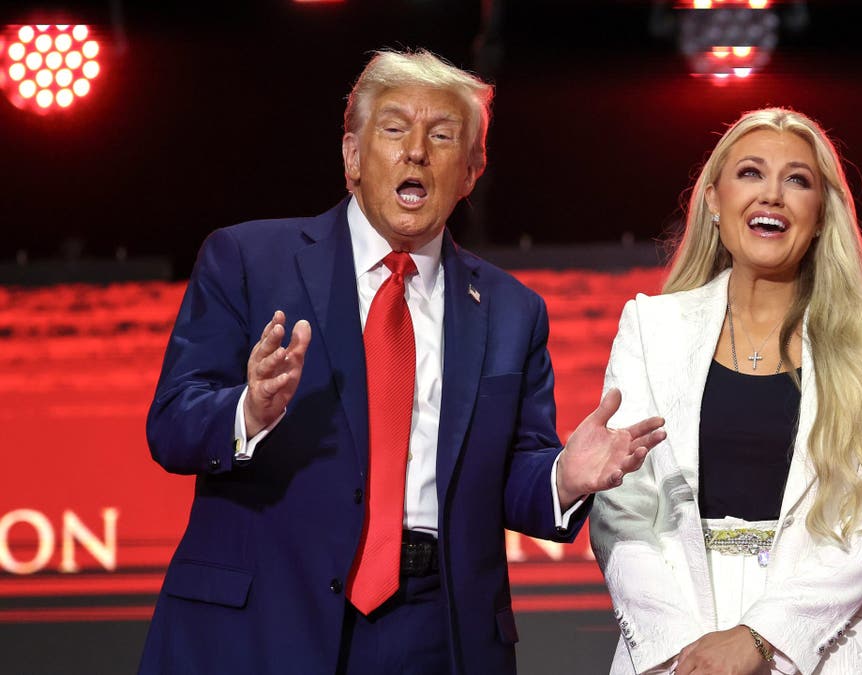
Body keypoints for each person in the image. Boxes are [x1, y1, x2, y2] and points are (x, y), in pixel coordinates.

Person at [140, 48, 665, 675]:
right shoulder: (248, 259)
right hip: (264, 620)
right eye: (393, 129)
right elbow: (172, 425)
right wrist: (247, 410)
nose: (416, 150)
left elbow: (512, 478)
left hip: (435, 628)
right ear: (352, 157)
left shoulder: (511, 309)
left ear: (471, 171)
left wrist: (564, 478)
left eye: (442, 136)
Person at [590, 108, 862, 675]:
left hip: (819, 645)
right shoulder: (650, 327)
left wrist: (762, 638)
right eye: (750, 173)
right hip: (673, 645)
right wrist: (681, 649)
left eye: (798, 180)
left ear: (820, 216)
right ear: (714, 201)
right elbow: (623, 508)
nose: (772, 195)